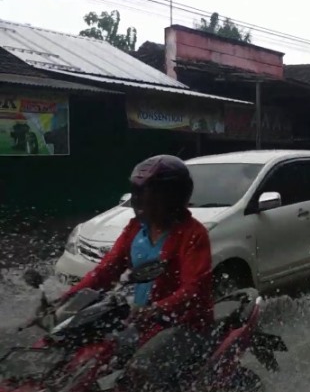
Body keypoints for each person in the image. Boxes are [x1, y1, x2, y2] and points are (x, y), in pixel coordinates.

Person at [59, 155, 214, 392]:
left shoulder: (193, 234)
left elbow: (193, 290)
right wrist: (65, 299)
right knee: (87, 356)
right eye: (138, 192)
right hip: (141, 321)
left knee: (139, 371)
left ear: (173, 197)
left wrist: (155, 309)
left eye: (149, 193)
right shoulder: (136, 228)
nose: (140, 200)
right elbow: (105, 272)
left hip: (185, 325)